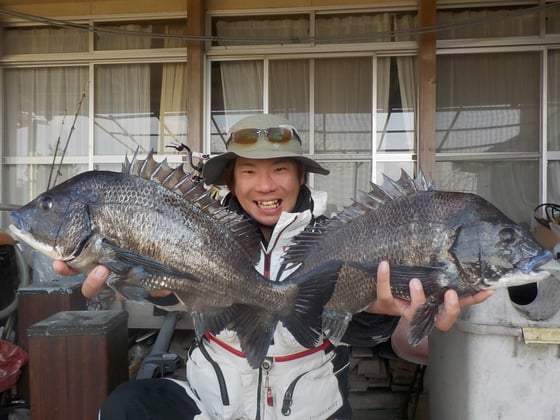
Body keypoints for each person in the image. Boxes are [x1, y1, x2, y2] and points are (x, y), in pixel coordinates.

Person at [54, 114, 492, 419]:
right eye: (248, 171)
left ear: (301, 177)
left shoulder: (339, 237)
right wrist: (132, 275)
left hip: (311, 408)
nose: (265, 185)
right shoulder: (196, 232)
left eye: (280, 168)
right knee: (125, 406)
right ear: (231, 181)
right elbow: (171, 297)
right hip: (212, 404)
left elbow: (379, 338)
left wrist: (389, 315)